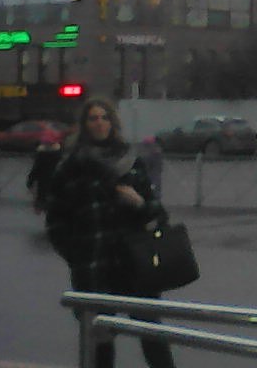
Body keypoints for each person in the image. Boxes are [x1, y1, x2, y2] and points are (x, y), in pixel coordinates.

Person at [44, 98, 177, 368]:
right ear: (84, 125)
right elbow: (55, 220)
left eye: (104, 117)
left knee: (151, 332)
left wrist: (138, 203)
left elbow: (158, 214)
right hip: (94, 265)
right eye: (93, 118)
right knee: (100, 341)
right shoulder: (70, 167)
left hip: (133, 261)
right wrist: (76, 254)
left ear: (113, 123)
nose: (99, 123)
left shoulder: (131, 162)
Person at [26, 127, 65, 213]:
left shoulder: (42, 154)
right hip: (55, 184)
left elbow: (36, 168)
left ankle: (41, 207)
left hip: (43, 183)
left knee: (42, 199)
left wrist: (30, 180)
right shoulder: (58, 154)